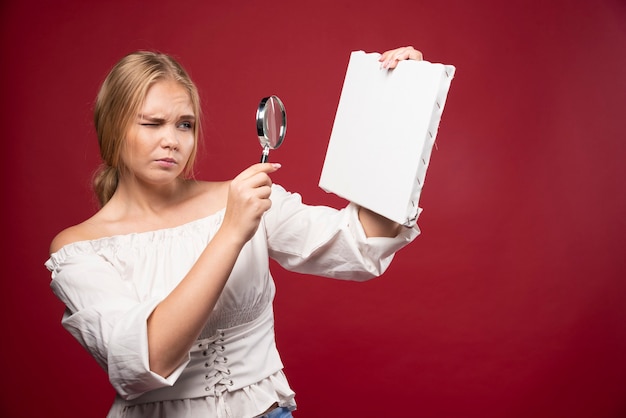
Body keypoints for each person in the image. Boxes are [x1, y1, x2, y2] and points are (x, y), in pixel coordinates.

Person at [45, 46, 424, 418]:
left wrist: (404, 110)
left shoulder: (243, 197)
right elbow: (148, 362)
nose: (172, 140)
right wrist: (231, 232)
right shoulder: (81, 248)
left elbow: (361, 243)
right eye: (151, 123)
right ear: (112, 127)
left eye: (185, 124)